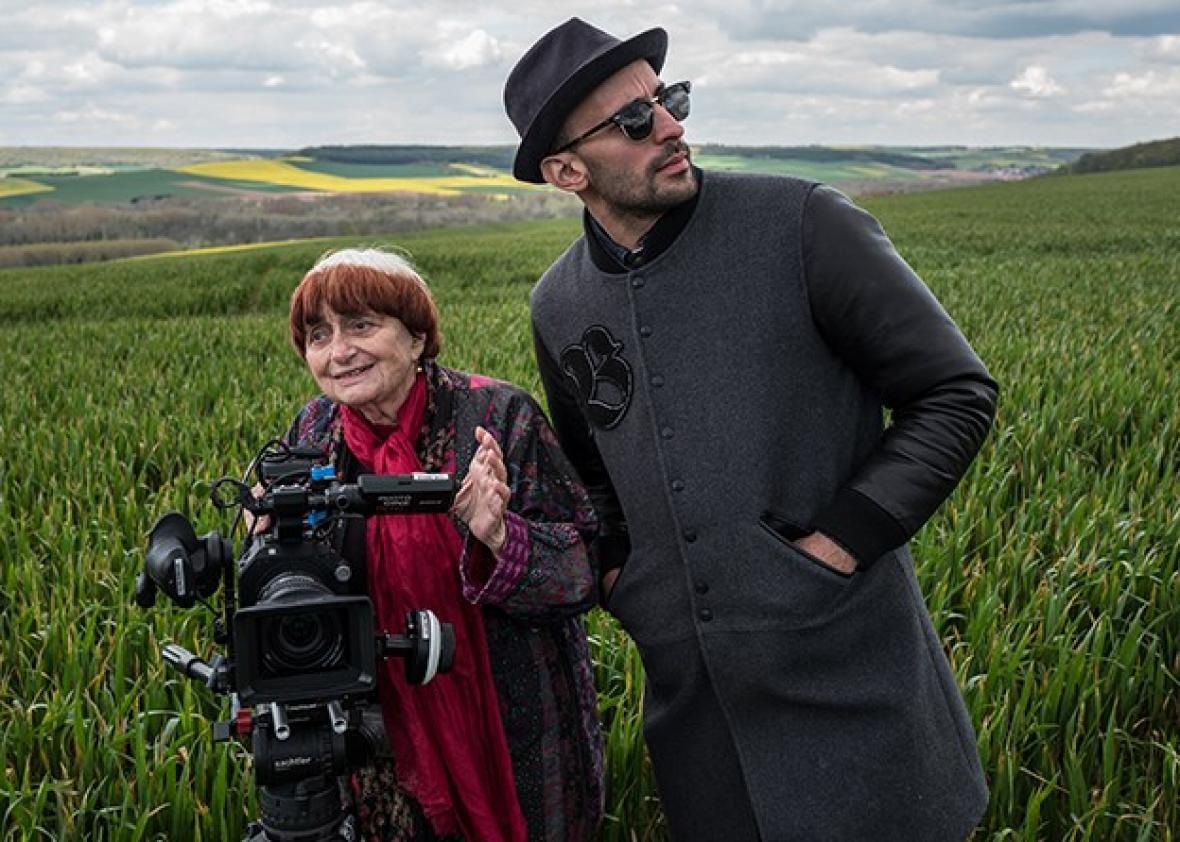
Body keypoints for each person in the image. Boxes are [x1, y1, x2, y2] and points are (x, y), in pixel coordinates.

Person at [503, 18, 998, 842]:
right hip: (701, 724)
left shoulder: (802, 223)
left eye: (668, 100)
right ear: (565, 171)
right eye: (634, 120)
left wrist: (836, 548)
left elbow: (954, 391)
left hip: (856, 683)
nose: (670, 126)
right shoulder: (557, 306)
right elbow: (595, 482)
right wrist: (628, 584)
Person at [279, 247, 603, 842]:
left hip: (511, 727)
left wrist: (501, 537)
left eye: (361, 325)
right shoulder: (314, 433)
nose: (338, 350)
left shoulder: (497, 416)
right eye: (318, 335)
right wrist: (272, 547)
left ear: (418, 337)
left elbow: (584, 566)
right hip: (381, 734)